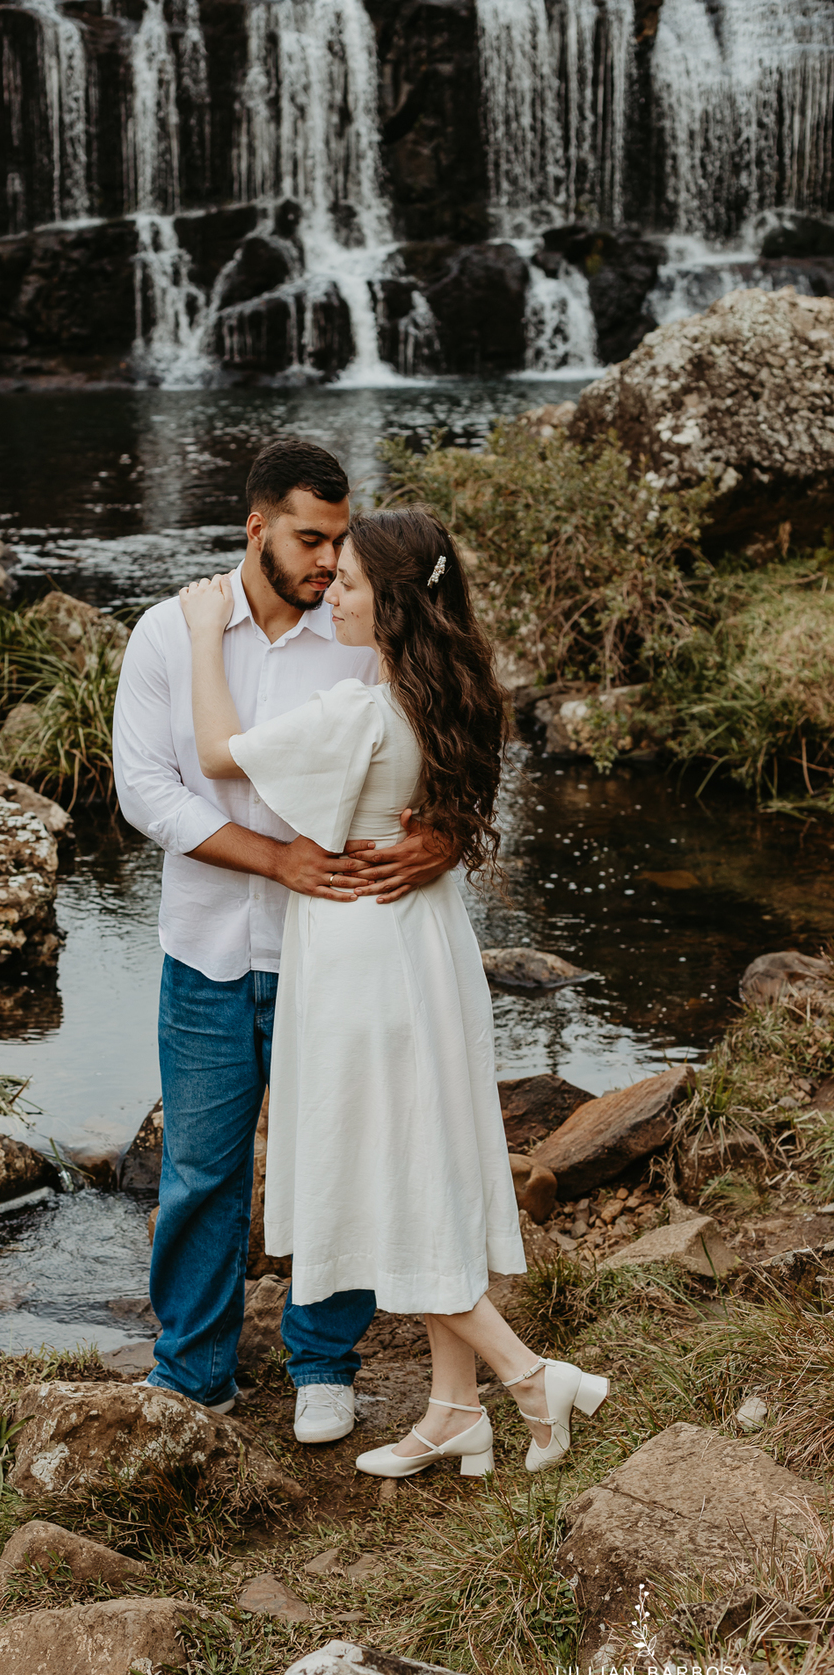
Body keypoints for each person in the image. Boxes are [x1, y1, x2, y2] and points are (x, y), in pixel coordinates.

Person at [178, 507, 609, 1477]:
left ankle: (530, 1378)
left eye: (353, 585)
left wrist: (207, 636)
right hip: (429, 950)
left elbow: (216, 753)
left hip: (363, 966)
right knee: (427, 1170)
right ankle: (454, 1411)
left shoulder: (361, 715)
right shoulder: (443, 697)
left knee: (385, 1187)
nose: (333, 590)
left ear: (398, 604)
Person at [113, 440, 455, 1445]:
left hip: (340, 945)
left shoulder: (359, 628)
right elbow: (147, 791)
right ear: (256, 527)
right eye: (311, 539)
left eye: (340, 542)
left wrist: (443, 836)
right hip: (209, 947)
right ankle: (194, 1371)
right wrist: (275, 863)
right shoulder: (171, 637)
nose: (328, 563)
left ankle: (323, 1362)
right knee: (202, 1169)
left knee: (338, 1156)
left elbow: (441, 741)